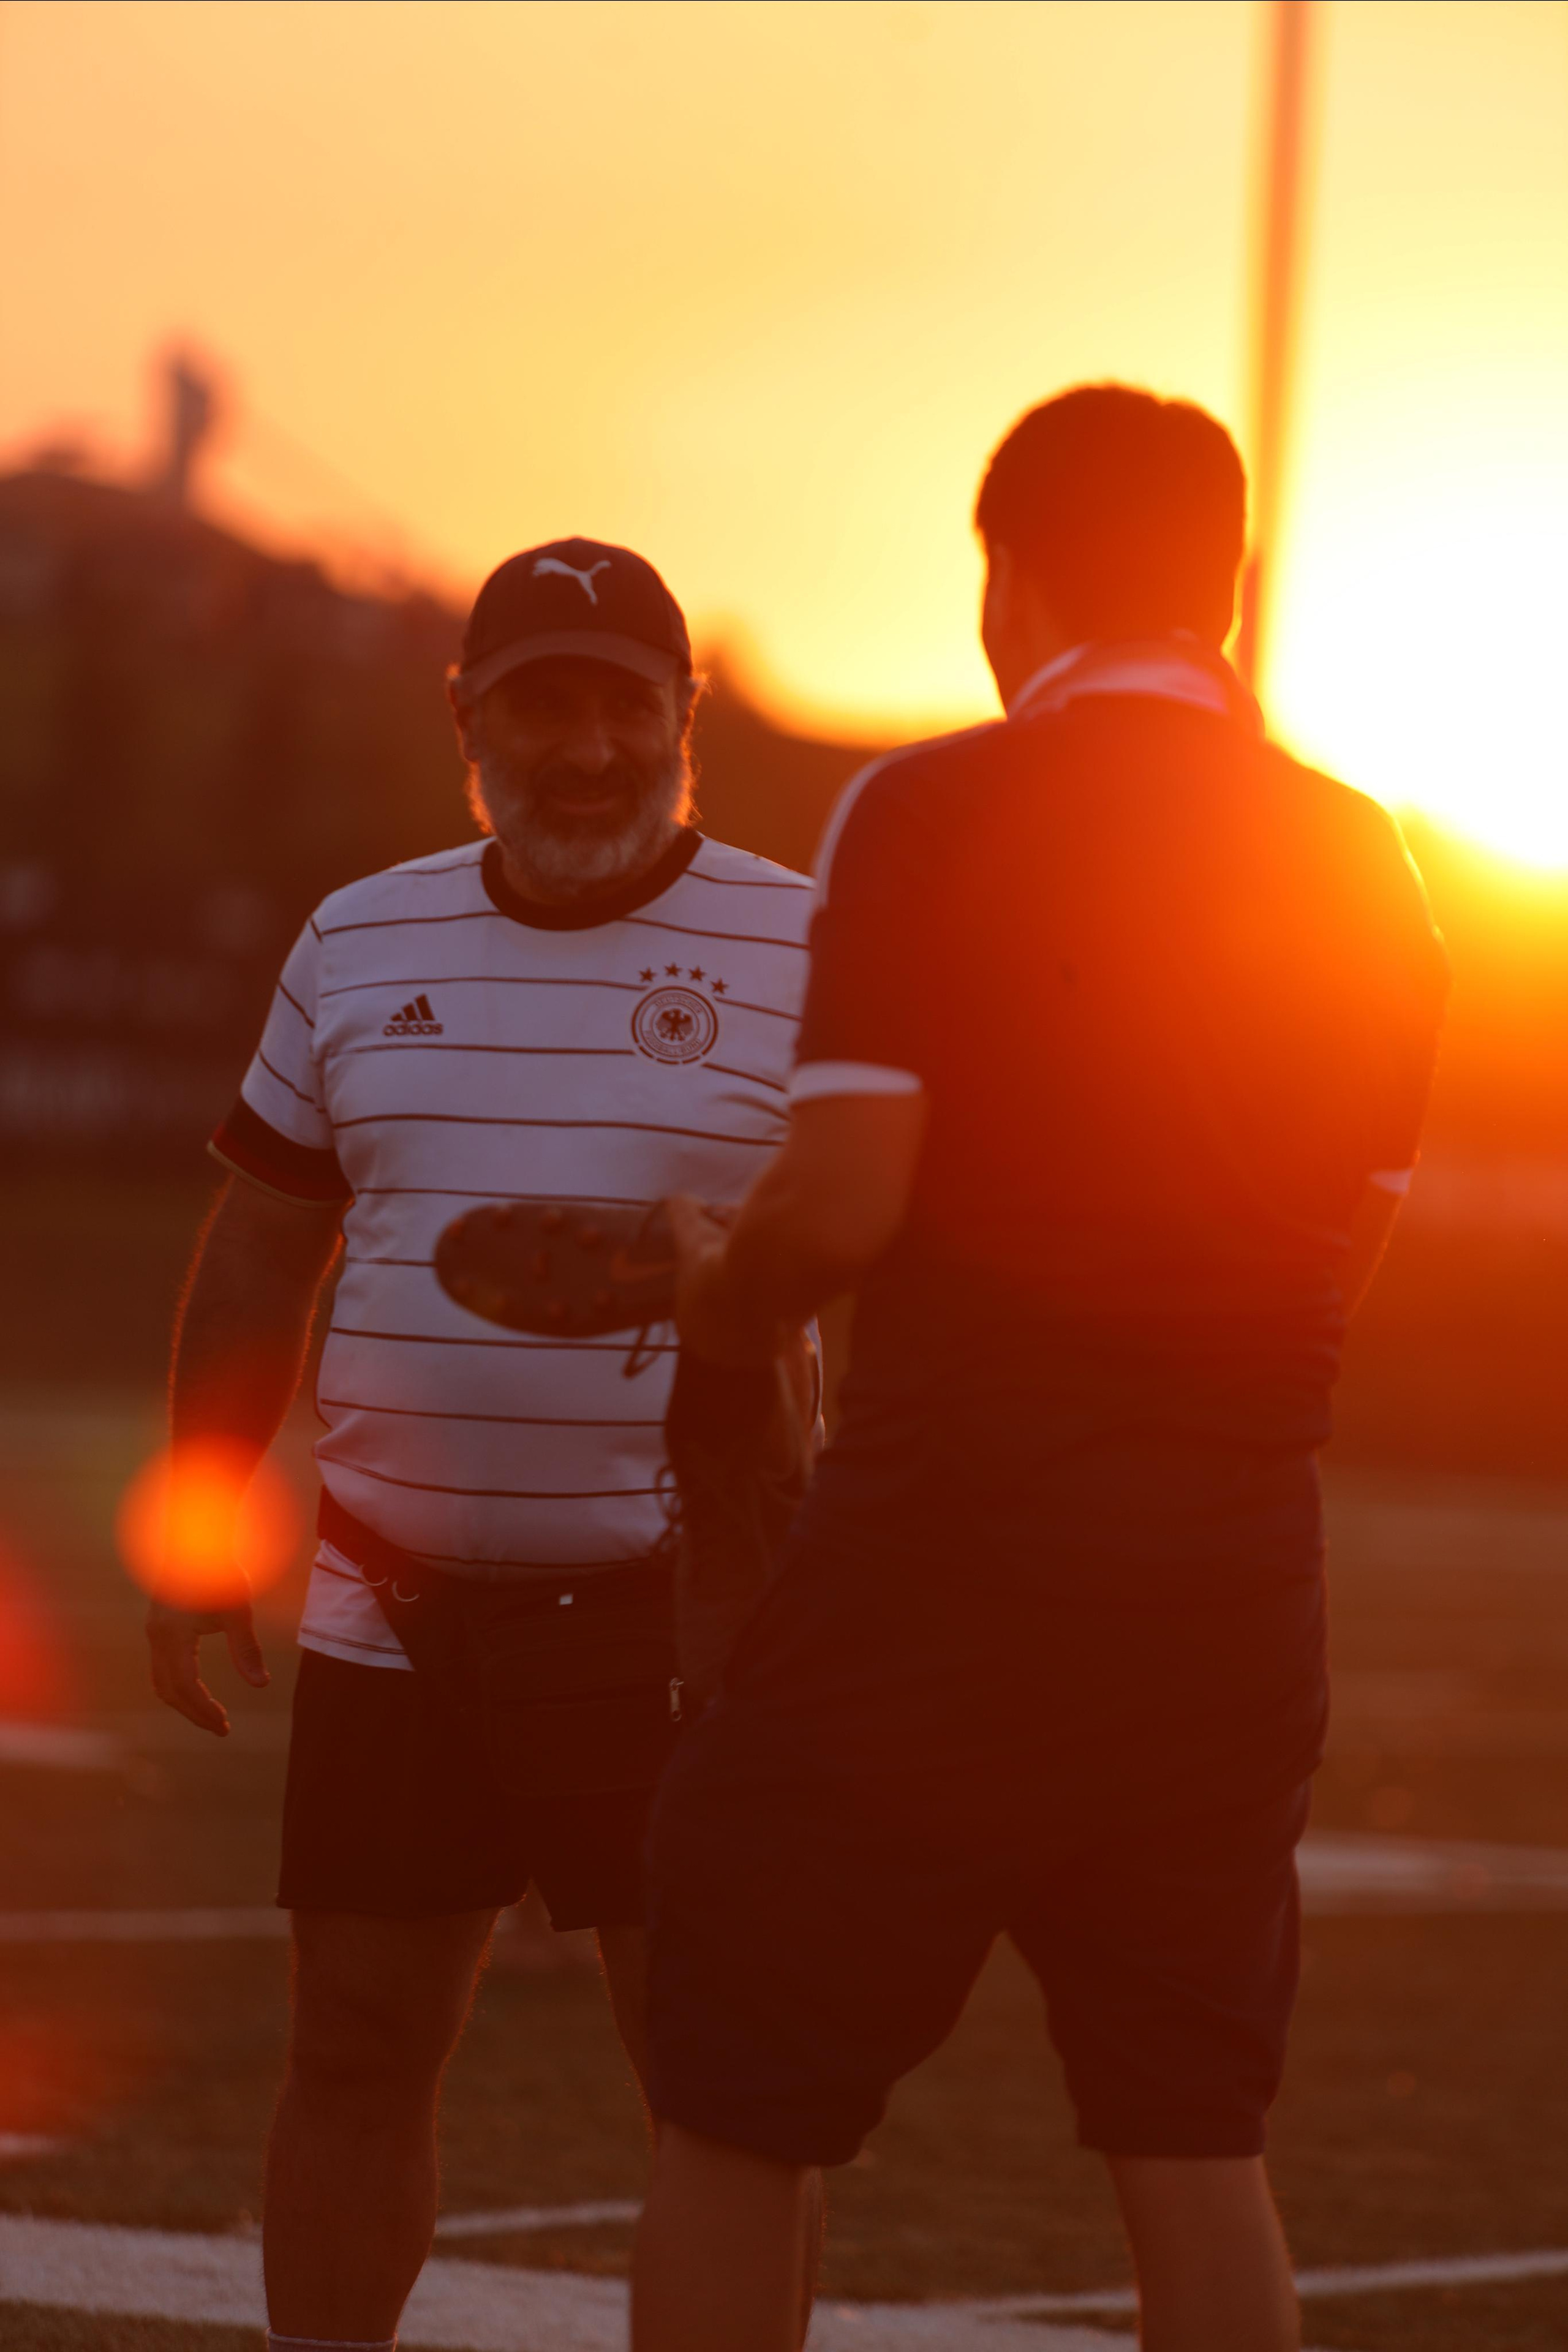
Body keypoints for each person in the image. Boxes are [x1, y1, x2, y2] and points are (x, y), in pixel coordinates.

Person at [631, 385, 1450, 2352]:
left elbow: (838, 1206)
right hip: (1237, 1571)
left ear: (1011, 575)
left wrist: (715, 1303)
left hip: (951, 1546)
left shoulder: (938, 804)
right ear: (1231, 586)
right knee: (1192, 2139)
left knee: (738, 2111)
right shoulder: (1375, 864)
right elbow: (1354, 1251)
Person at [142, 540, 815, 2352]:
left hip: (679, 1614)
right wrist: (197, 1514)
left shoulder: (807, 939)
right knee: (353, 2040)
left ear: (688, 720)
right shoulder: (360, 936)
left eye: (626, 705)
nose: (587, 746)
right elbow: (270, 1238)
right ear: (467, 718)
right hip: (392, 1592)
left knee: (711, 2083)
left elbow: (896, 1257)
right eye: (543, 703)